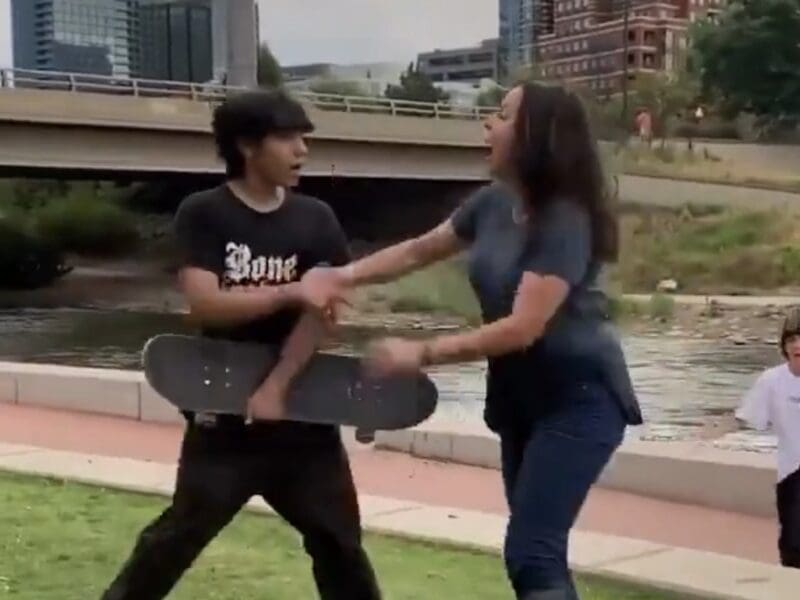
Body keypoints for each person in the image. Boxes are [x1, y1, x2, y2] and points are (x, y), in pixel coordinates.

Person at [301, 82, 643, 599]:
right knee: (534, 552)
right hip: (520, 401)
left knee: (532, 551)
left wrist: (421, 352)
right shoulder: (492, 205)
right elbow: (419, 250)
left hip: (581, 401)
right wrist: (342, 277)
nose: (488, 123)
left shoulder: (565, 220)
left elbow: (523, 327)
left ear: (535, 134)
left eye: (502, 114)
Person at [100, 90, 381, 600]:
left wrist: (277, 385)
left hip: (304, 420)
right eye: (288, 138)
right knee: (174, 540)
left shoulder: (316, 218)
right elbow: (205, 304)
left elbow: (325, 316)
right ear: (247, 146)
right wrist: (292, 290)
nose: (302, 150)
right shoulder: (204, 213)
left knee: (340, 547)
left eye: (304, 139)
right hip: (222, 418)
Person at [712, 307, 800, 569]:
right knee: (793, 547)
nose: (797, 345)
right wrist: (716, 427)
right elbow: (745, 417)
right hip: (792, 477)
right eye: (791, 339)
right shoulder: (772, 381)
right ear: (784, 346)